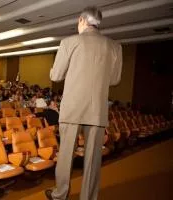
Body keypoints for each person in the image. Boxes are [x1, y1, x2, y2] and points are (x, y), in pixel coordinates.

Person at [45, 7, 122, 200]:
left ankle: (60, 194)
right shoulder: (115, 46)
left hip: (72, 108)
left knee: (65, 155)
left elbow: (56, 76)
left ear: (81, 20)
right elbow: (114, 80)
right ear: (98, 23)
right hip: (97, 110)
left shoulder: (69, 42)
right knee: (93, 159)